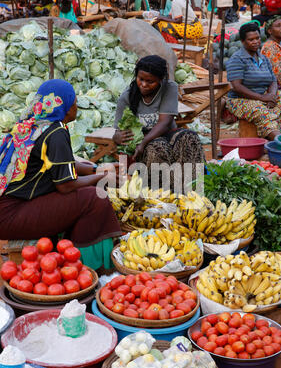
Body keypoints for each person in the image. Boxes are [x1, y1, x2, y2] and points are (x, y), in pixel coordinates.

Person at [0, 79, 122, 271]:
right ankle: (86, 267)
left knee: (87, 169)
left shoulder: (31, 123)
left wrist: (95, 169)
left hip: (9, 207)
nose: (76, 107)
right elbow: (65, 185)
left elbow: (61, 164)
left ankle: (67, 252)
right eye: (73, 102)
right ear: (64, 107)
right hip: (12, 216)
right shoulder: (55, 132)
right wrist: (101, 177)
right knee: (93, 197)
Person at [112, 55, 205, 190]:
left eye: (150, 81)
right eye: (140, 79)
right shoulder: (127, 97)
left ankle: (191, 187)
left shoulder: (169, 87)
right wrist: (118, 137)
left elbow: (165, 122)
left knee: (190, 138)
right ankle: (163, 192)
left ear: (161, 80)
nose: (144, 84)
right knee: (157, 148)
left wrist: (144, 143)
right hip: (143, 142)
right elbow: (117, 132)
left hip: (167, 134)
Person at [225, 22, 281, 141]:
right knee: (260, 110)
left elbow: (273, 80)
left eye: (257, 38)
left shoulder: (263, 58)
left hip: (263, 96)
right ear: (243, 42)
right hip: (240, 100)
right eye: (251, 39)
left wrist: (272, 96)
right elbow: (237, 87)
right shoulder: (237, 59)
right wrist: (261, 98)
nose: (255, 42)